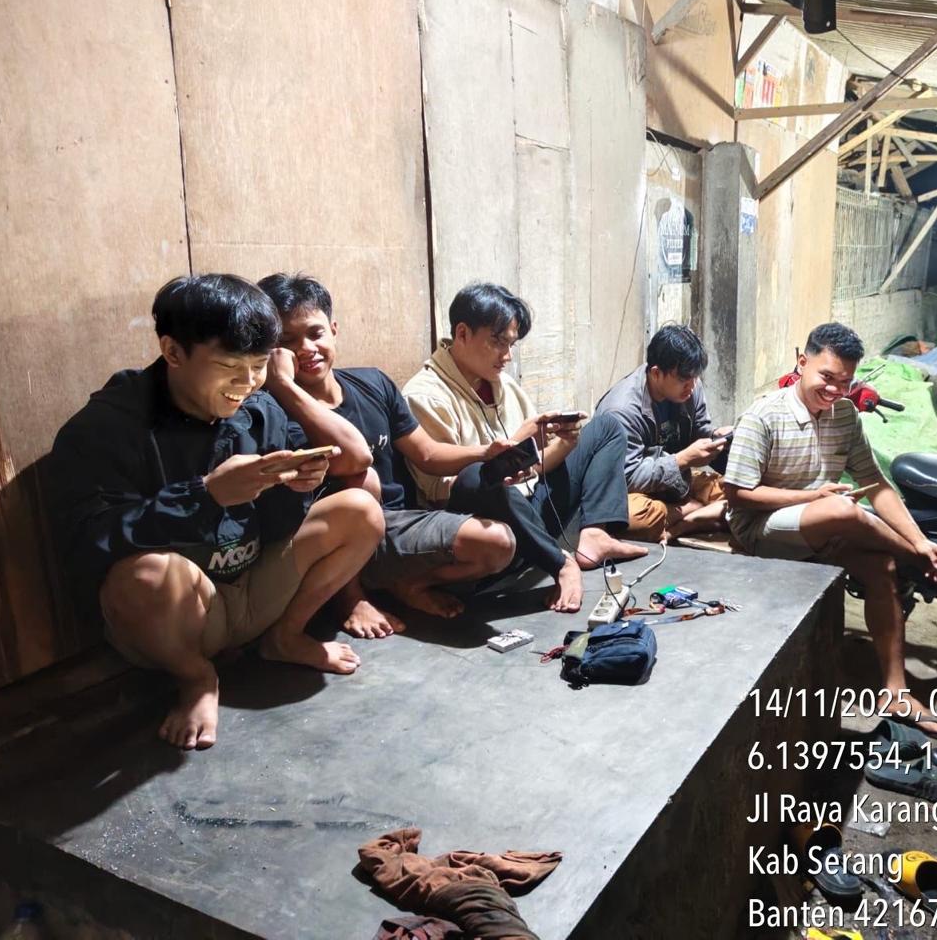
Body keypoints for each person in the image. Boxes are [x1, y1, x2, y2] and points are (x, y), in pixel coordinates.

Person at [51, 275, 385, 751]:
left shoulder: (258, 408)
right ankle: (197, 679)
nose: (246, 384)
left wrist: (297, 486)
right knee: (144, 576)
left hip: (255, 590)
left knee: (360, 508)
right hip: (183, 620)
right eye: (229, 367)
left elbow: (288, 519)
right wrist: (205, 496)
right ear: (173, 351)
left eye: (257, 367)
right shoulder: (108, 426)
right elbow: (87, 544)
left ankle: (285, 638)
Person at [722, 322, 937, 739]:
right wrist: (811, 498)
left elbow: (877, 484)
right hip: (761, 530)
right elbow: (737, 493)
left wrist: (920, 536)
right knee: (842, 508)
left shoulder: (845, 414)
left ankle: (895, 691)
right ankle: (921, 560)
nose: (834, 389)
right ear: (802, 363)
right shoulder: (763, 415)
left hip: (823, 527)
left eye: (845, 382)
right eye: (826, 377)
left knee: (882, 567)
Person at [258, 273, 517, 632]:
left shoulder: (372, 383)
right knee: (363, 481)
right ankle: (351, 600)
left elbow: (427, 453)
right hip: (329, 546)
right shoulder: (274, 409)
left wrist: (486, 452)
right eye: (287, 341)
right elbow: (355, 459)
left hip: (394, 527)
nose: (305, 349)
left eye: (315, 333)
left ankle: (405, 585)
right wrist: (282, 384)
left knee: (498, 543)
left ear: (333, 329)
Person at [402, 282, 646, 612]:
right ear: (462, 333)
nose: (506, 356)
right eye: (497, 342)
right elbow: (444, 492)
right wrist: (511, 448)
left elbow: (532, 469)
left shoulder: (502, 384)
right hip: (488, 527)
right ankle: (561, 563)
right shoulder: (425, 395)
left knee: (607, 427)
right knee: (478, 475)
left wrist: (565, 444)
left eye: (511, 344)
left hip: (529, 511)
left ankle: (594, 535)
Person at [594, 324, 730, 541]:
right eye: (683, 380)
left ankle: (685, 520)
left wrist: (716, 437)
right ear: (656, 373)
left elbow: (698, 430)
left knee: (737, 492)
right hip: (631, 491)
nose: (692, 386)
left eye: (695, 378)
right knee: (631, 519)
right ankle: (692, 513)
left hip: (677, 482)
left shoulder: (690, 387)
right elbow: (627, 477)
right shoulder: (621, 410)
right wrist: (681, 460)